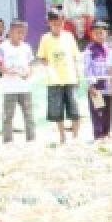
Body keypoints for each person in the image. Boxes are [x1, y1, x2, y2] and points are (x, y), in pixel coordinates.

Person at [36, 9, 83, 142]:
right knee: (57, 110)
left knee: (75, 108)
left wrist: (78, 75)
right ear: (49, 23)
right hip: (54, 80)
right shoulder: (45, 38)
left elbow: (74, 57)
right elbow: (42, 57)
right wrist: (49, 69)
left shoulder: (69, 36)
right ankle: (62, 135)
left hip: (70, 77)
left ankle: (75, 135)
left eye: (60, 23)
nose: (58, 26)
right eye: (55, 23)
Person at [0, 19, 36, 143]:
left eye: (23, 33)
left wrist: (29, 73)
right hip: (10, 87)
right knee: (8, 115)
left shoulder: (26, 47)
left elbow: (30, 65)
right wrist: (7, 71)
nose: (21, 36)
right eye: (19, 32)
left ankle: (31, 139)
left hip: (24, 87)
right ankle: (8, 141)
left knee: (28, 114)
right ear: (11, 32)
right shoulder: (3, 47)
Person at [83, 21, 112, 140]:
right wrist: (91, 85)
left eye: (102, 33)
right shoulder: (90, 49)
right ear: (92, 34)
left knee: (107, 110)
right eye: (97, 33)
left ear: (106, 34)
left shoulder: (108, 49)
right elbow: (87, 68)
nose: (100, 36)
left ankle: (107, 132)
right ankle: (98, 134)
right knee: (97, 110)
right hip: (96, 86)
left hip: (107, 85)